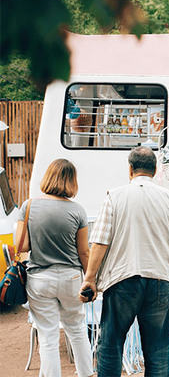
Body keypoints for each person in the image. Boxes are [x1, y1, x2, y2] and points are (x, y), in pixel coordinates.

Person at [81, 146, 169, 376]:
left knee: (111, 347)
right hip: (160, 284)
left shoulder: (114, 197)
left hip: (122, 281)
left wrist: (90, 280)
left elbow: (100, 243)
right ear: (155, 171)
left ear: (130, 169)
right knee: (157, 351)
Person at [17, 158, 93, 377]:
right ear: (72, 181)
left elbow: (21, 246)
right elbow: (83, 252)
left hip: (40, 278)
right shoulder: (78, 211)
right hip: (71, 278)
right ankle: (86, 374)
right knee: (77, 330)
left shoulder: (29, 206)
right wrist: (90, 280)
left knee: (48, 336)